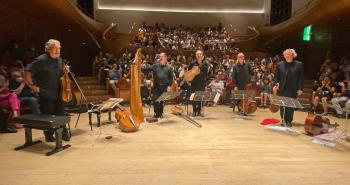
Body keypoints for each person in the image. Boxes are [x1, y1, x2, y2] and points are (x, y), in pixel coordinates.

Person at [24, 39, 70, 142]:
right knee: (48, 115)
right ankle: (49, 135)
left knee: (61, 114)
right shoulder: (41, 60)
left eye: (59, 48)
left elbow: (60, 74)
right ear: (48, 49)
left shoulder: (59, 60)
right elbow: (27, 72)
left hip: (59, 92)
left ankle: (63, 133)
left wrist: (65, 71)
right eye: (55, 48)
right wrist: (32, 86)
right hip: (45, 92)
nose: (58, 51)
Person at [273, 49, 304, 127]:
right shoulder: (280, 65)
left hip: (293, 88)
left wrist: (300, 88)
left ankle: (289, 120)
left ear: (293, 55)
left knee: (290, 105)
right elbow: (276, 77)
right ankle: (283, 119)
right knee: (282, 105)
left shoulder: (299, 64)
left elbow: (301, 78)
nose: (287, 56)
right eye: (285, 54)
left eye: (289, 54)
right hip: (282, 88)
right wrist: (276, 83)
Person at [151, 52, 173, 118]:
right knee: (156, 100)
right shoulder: (155, 66)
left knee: (161, 101)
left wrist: (169, 86)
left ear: (165, 58)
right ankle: (156, 114)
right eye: (160, 56)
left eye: (162, 56)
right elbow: (147, 69)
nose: (160, 57)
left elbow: (171, 78)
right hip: (156, 86)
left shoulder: (169, 68)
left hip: (164, 86)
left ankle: (160, 113)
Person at [188, 50, 208, 117]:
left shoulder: (205, 64)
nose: (199, 55)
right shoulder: (192, 63)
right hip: (194, 83)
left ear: (202, 55)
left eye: (200, 54)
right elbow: (188, 72)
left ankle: (199, 111)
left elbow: (206, 74)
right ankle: (194, 111)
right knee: (193, 97)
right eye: (197, 54)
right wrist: (188, 81)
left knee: (200, 98)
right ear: (196, 55)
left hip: (202, 83)